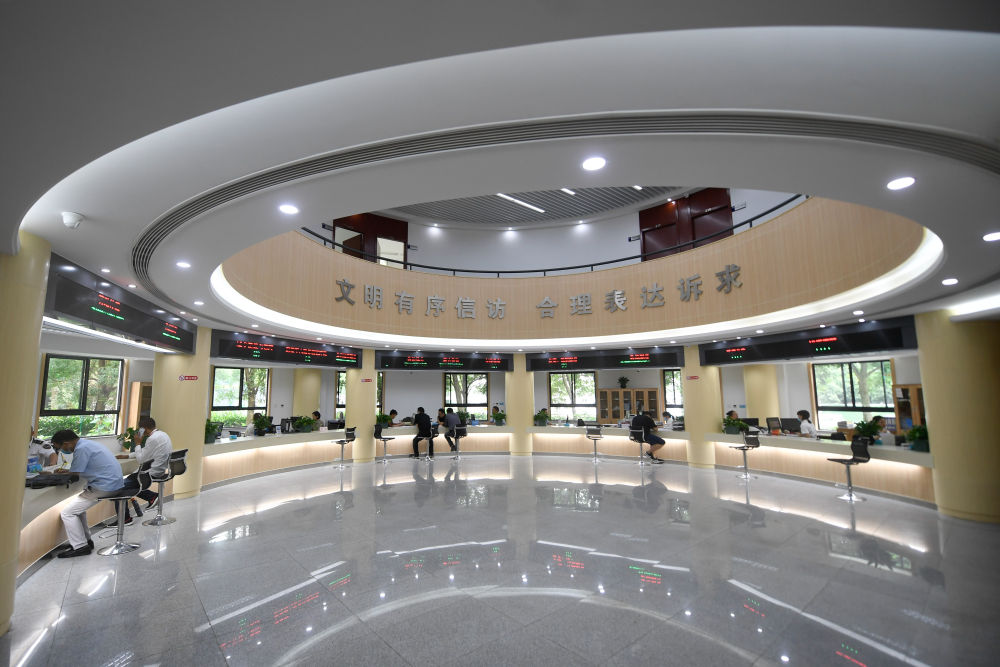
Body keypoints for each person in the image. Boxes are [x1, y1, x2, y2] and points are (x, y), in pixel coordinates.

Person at [46, 429, 133, 558]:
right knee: (78, 510)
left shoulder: (81, 449)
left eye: (60, 448)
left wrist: (57, 474)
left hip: (105, 486)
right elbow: (79, 469)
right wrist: (67, 471)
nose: (61, 451)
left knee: (67, 513)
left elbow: (75, 474)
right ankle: (85, 541)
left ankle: (80, 546)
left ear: (66, 443)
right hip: (112, 484)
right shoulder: (87, 444)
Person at [117, 416, 173, 522]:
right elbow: (146, 451)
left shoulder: (152, 439)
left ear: (144, 429)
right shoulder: (163, 435)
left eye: (140, 429)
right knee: (128, 485)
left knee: (119, 486)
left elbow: (141, 460)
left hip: (149, 473)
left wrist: (138, 443)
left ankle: (125, 519)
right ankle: (151, 497)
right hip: (160, 470)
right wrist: (127, 456)